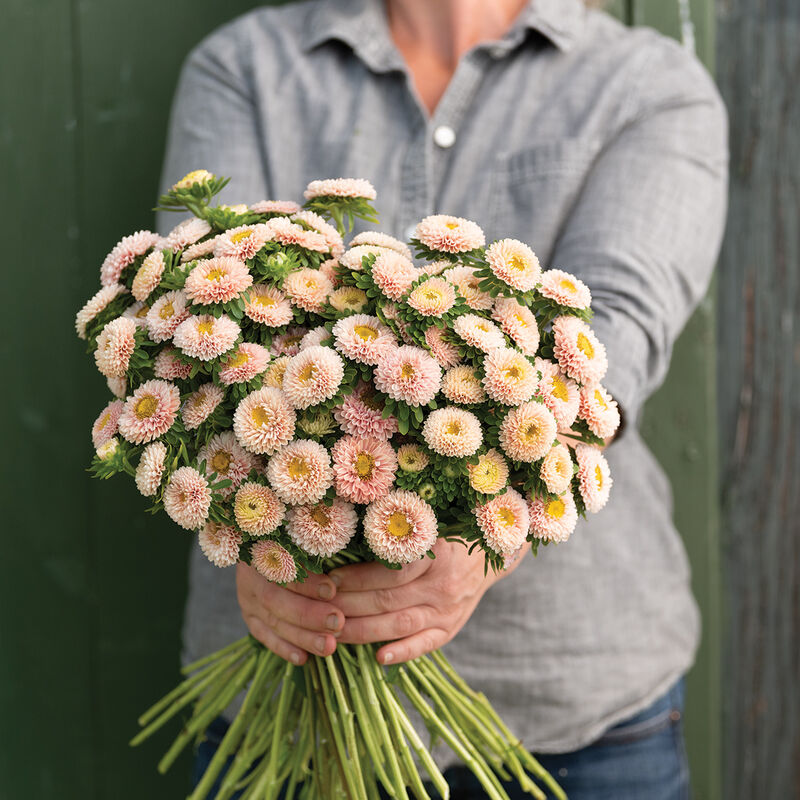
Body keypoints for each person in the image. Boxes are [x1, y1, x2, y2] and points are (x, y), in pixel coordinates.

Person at [158, 0, 728, 797]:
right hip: (284, 696)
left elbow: (615, 338)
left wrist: (497, 524)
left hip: (571, 711)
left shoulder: (647, 83)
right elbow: (198, 324)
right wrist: (249, 537)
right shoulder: (247, 67)